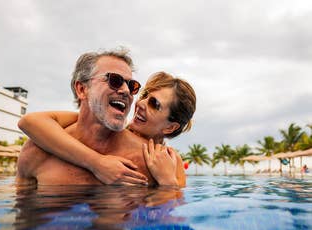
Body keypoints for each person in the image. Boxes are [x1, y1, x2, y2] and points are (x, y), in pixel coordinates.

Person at [18, 62, 196, 187]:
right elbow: (31, 122)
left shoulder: (172, 162)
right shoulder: (109, 125)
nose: (141, 103)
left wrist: (167, 181)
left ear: (170, 127)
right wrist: (97, 163)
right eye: (145, 95)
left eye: (154, 104)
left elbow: (173, 223)